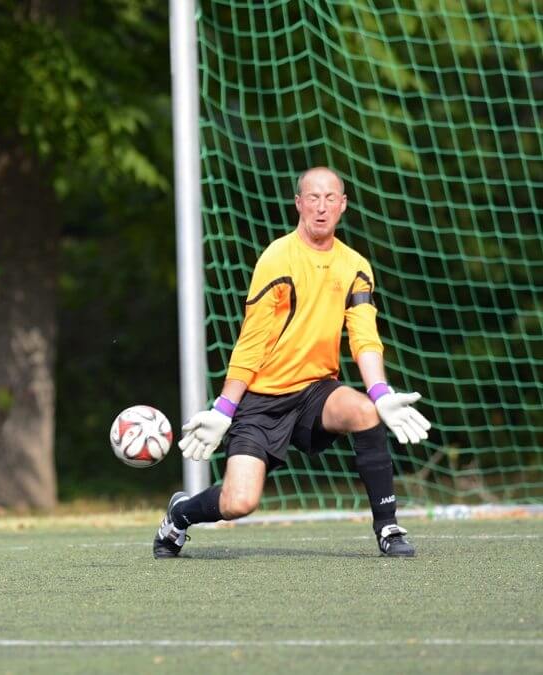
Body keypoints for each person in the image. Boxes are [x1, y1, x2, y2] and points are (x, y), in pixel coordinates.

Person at [154, 167, 432, 559]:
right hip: (262, 401)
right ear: (298, 203)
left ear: (343, 205)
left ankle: (387, 526)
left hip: (316, 391)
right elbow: (251, 342)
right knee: (239, 502)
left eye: (330, 198)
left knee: (364, 411)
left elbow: (364, 338)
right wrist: (224, 408)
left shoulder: (355, 266)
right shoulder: (277, 258)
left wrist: (381, 393)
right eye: (313, 198)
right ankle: (180, 515)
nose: (321, 207)